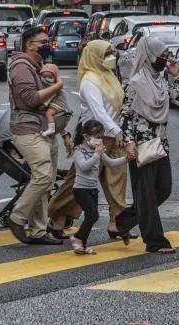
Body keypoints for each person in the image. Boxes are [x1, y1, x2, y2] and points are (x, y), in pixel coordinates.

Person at [49, 40, 128, 240]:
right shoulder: (89, 80)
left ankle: (117, 222)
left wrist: (119, 130)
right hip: (94, 137)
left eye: (112, 52)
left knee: (117, 180)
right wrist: (116, 130)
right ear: (95, 56)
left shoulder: (109, 76)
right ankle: (56, 215)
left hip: (115, 134)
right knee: (80, 182)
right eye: (107, 53)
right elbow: (98, 112)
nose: (111, 57)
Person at [116, 36, 179, 254]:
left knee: (163, 189)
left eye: (166, 56)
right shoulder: (134, 83)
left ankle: (124, 221)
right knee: (146, 194)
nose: (164, 60)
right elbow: (126, 116)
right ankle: (155, 241)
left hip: (160, 144)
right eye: (161, 56)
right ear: (148, 57)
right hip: (141, 146)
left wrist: (176, 76)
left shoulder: (162, 80)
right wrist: (129, 142)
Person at [6, 26, 64, 245]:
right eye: (43, 42)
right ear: (30, 44)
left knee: (46, 180)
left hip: (42, 127)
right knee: (43, 175)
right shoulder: (21, 67)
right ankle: (17, 217)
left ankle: (38, 230)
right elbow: (31, 99)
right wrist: (58, 85)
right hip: (27, 128)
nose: (47, 45)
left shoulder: (36, 65)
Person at [69, 119, 127, 255]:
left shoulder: (97, 150)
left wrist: (127, 158)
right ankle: (77, 238)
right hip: (80, 189)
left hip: (92, 189)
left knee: (93, 217)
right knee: (93, 215)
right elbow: (83, 166)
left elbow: (111, 163)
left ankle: (81, 245)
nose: (100, 141)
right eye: (97, 137)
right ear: (86, 137)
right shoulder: (79, 150)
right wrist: (97, 154)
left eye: (101, 137)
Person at [40, 64, 70, 137]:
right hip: (57, 104)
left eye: (50, 77)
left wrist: (45, 104)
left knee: (49, 113)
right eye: (44, 77)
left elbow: (50, 96)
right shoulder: (48, 85)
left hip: (59, 104)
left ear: (55, 76)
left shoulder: (55, 86)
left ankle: (51, 128)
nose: (47, 79)